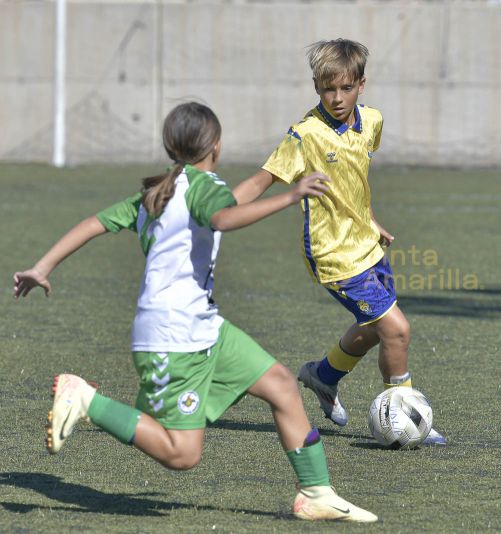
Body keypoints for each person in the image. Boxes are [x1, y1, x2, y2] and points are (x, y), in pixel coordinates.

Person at [13, 102, 377, 523]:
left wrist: (42, 267)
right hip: (172, 336)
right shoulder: (201, 189)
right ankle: (85, 400)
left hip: (202, 325)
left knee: (280, 384)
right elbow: (223, 217)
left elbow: (94, 223)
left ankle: (316, 494)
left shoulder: (161, 192)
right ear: (216, 145)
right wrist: (292, 196)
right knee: (182, 454)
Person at [233, 39, 446, 445]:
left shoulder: (372, 122)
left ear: (361, 85)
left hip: (367, 246)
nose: (337, 98)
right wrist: (218, 209)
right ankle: (406, 414)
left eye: (346, 88)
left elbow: (354, 180)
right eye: (328, 88)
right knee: (397, 329)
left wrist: (370, 220)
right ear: (316, 85)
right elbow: (262, 181)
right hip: (332, 254)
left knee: (374, 328)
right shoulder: (305, 135)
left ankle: (323, 376)